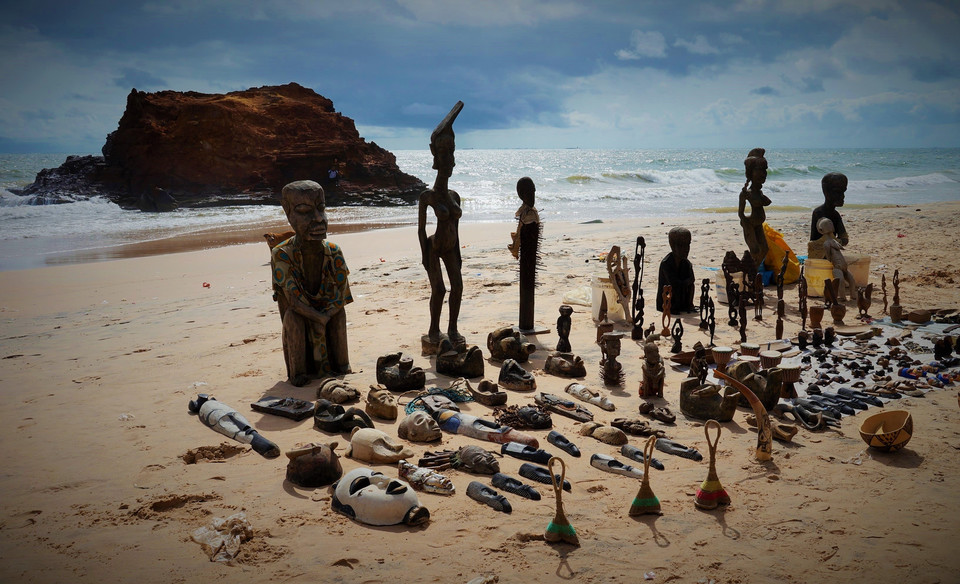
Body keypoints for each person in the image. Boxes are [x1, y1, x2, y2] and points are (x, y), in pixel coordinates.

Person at [271, 180, 352, 386]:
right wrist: (319, 318)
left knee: (339, 315)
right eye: (305, 211)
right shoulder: (281, 253)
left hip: (328, 313)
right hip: (303, 314)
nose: (319, 219)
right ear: (288, 212)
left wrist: (328, 314)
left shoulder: (334, 251)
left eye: (321, 208)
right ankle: (299, 374)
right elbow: (293, 301)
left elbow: (341, 294)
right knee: (293, 319)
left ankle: (342, 366)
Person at [419, 101, 465, 350]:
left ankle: (453, 328)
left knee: (458, 286)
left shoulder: (454, 196)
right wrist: (425, 257)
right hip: (434, 248)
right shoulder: (428, 196)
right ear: (435, 155)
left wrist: (458, 255)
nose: (449, 158)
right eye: (444, 152)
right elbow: (421, 230)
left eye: (452, 151)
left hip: (450, 249)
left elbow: (456, 231)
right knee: (439, 290)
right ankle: (433, 329)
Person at [509, 176, 541, 330]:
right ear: (521, 194)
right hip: (527, 260)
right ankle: (526, 323)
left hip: (530, 259)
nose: (533, 196)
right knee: (526, 283)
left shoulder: (530, 214)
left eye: (534, 192)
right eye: (529, 193)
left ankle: (527, 323)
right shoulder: (526, 215)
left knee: (528, 283)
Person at [738, 148, 771, 268]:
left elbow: (766, 202)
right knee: (755, 249)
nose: (763, 174)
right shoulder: (747, 193)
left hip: (758, 224)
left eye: (765, 170)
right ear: (750, 173)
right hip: (750, 224)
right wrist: (746, 223)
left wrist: (762, 200)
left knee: (765, 249)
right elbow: (740, 213)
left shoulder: (759, 193)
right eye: (759, 170)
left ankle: (754, 269)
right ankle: (750, 270)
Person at [656, 226, 696, 312]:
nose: (686, 249)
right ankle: (674, 307)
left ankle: (688, 305)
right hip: (668, 301)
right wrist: (685, 282)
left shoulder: (686, 263)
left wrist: (686, 282)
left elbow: (692, 280)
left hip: (682, 298)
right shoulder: (666, 263)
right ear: (672, 245)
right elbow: (674, 283)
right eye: (681, 245)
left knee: (691, 286)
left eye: (688, 245)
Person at [818, 217, 857, 301]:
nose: (830, 225)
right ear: (821, 230)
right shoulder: (826, 243)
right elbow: (829, 257)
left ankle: (853, 295)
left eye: (830, 223)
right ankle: (842, 297)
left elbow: (841, 248)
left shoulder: (834, 241)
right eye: (828, 224)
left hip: (844, 266)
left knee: (852, 280)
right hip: (837, 267)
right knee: (841, 281)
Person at [810, 172, 849, 246]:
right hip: (819, 252)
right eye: (838, 192)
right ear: (826, 192)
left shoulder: (835, 215)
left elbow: (844, 237)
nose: (843, 196)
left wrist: (838, 241)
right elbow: (813, 241)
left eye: (843, 192)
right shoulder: (818, 212)